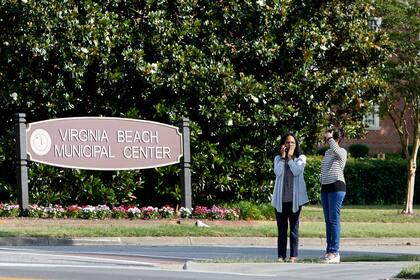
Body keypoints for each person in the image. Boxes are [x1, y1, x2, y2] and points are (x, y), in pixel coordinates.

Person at [271, 133, 309, 263]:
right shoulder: (278, 159)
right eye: (287, 142)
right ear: (283, 144)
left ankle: (293, 255)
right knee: (281, 230)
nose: (290, 145)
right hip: (280, 200)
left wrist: (290, 158)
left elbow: (297, 171)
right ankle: (281, 255)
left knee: (294, 229)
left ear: (296, 144)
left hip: (295, 200)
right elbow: (278, 172)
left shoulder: (301, 158)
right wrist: (283, 158)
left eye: (293, 142)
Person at [320, 128, 347, 263]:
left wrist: (330, 139)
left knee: (334, 219)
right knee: (328, 221)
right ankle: (329, 250)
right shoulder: (327, 152)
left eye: (330, 137)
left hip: (337, 186)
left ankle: (334, 252)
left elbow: (336, 151)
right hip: (325, 187)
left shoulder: (341, 151)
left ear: (337, 138)